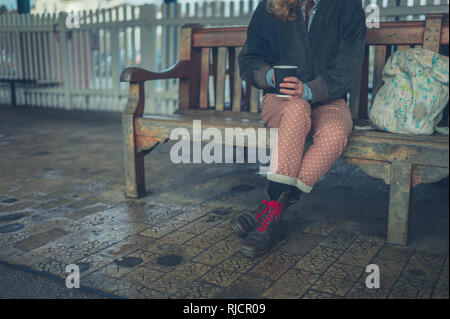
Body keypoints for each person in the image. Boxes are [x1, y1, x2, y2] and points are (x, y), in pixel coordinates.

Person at [231, 0, 366, 258]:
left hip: (328, 100)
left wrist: (308, 90)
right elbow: (249, 58)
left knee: (337, 132)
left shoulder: (348, 6)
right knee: (297, 108)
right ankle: (268, 222)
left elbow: (349, 64)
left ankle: (269, 209)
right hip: (279, 101)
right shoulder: (270, 6)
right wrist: (269, 76)